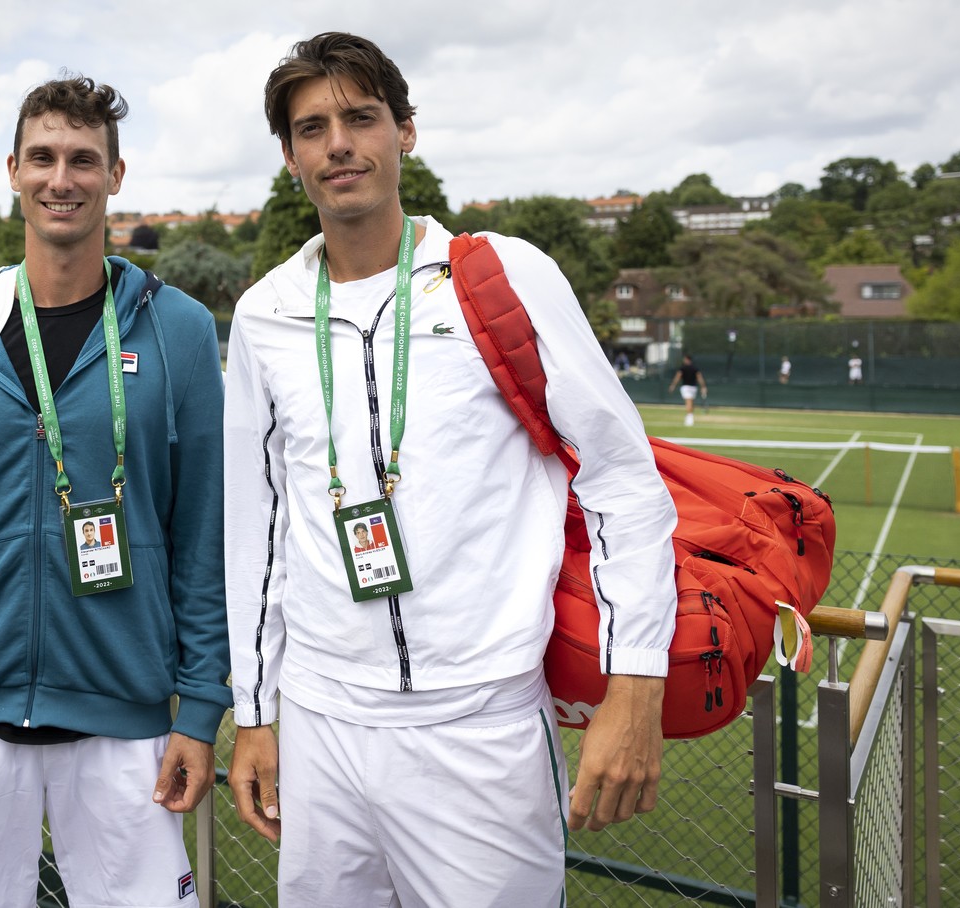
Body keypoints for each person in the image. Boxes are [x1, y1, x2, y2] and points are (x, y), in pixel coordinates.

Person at [223, 32, 677, 906]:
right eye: (312, 128)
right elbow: (259, 530)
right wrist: (255, 711)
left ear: (406, 131)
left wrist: (636, 686)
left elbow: (622, 481)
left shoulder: (501, 274)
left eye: (361, 117)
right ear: (289, 156)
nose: (339, 144)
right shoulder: (264, 313)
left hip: (480, 722)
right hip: (320, 719)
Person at [0, 75, 229, 908]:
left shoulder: (182, 330)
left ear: (116, 175)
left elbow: (205, 536)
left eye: (84, 160)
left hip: (128, 724)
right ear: (13, 169)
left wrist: (200, 708)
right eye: (45, 157)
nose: (64, 178)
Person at [667, 353, 707, 426]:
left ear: (687, 359)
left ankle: (689, 418)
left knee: (688, 402)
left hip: (686, 387)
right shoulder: (695, 368)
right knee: (691, 402)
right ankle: (690, 416)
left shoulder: (683, 368)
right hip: (693, 388)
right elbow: (700, 378)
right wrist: (703, 386)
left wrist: (673, 385)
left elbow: (677, 377)